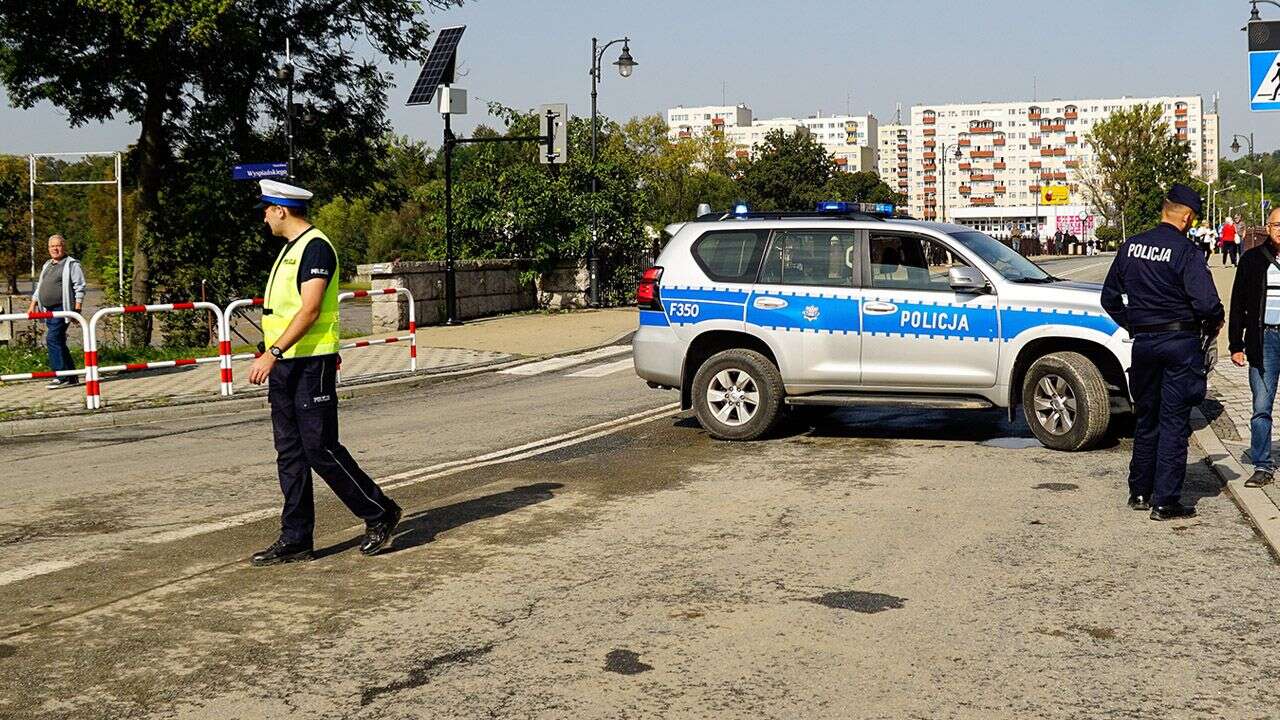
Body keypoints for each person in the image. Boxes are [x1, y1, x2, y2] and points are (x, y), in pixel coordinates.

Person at [247, 179, 402, 566]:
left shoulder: (316, 248)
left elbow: (310, 309)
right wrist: (272, 351)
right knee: (290, 453)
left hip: (309, 363)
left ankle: (380, 511)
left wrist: (274, 352)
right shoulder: (291, 251)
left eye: (267, 209)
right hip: (286, 364)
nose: (264, 217)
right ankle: (296, 538)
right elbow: (283, 312)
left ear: (281, 210)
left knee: (320, 448)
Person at [1101, 184, 1224, 520]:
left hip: (1144, 345)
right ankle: (1165, 500)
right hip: (1180, 345)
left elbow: (1108, 298)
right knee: (1173, 423)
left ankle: (1139, 492)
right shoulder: (1185, 251)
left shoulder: (1131, 247)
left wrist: (1133, 324)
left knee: (1147, 418)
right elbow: (1207, 303)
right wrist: (1215, 320)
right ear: (1185, 216)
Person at [1229, 207, 1280, 487]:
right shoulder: (1252, 260)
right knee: (1262, 405)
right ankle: (1262, 464)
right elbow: (1237, 304)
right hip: (1264, 341)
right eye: (1276, 225)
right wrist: (1236, 344)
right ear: (1267, 228)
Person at [26, 234, 86, 389]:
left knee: (52, 339)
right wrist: (33, 304)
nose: (55, 249)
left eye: (57, 245)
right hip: (48, 310)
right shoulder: (47, 265)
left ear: (63, 247)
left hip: (62, 308)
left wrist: (77, 308)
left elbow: (79, 287)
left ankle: (61, 375)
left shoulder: (72, 264)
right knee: (58, 340)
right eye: (52, 246)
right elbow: (40, 287)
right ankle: (72, 377)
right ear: (48, 249)